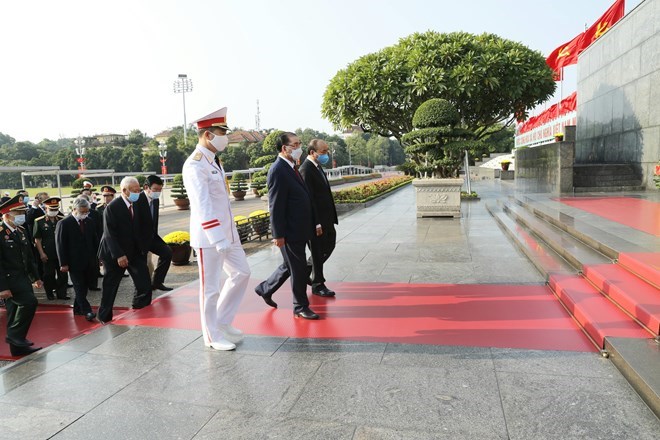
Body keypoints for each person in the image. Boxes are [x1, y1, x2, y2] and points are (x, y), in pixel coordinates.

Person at [182, 107, 251, 351]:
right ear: (207, 135)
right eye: (222, 132)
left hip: (228, 235)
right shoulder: (195, 165)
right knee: (209, 289)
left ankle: (222, 321)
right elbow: (202, 205)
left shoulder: (213, 162)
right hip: (209, 238)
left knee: (242, 273)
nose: (225, 137)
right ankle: (211, 336)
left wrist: (228, 236)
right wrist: (217, 236)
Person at [254, 132, 319, 319]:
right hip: (289, 231)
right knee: (297, 269)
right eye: (296, 144)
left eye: (300, 144)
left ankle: (265, 289)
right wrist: (278, 234)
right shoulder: (278, 170)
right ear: (285, 148)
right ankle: (300, 307)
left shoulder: (291, 167)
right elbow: (276, 205)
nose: (299, 148)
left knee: (290, 265)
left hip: (299, 228)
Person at [97, 176, 153, 323]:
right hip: (114, 253)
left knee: (144, 283)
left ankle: (141, 310)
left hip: (134, 251)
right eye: (134, 191)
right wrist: (119, 255)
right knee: (111, 286)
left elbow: (146, 225)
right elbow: (109, 234)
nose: (138, 193)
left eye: (139, 190)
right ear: (124, 191)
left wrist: (144, 247)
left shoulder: (139, 201)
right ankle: (104, 316)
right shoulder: (112, 207)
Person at [0, 195, 43, 356]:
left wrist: (36, 277)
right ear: (6, 214)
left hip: (23, 277)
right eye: (18, 212)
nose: (22, 215)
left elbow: (29, 257)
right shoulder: (0, 233)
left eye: (22, 212)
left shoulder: (22, 230)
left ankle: (17, 347)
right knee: (29, 302)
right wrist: (2, 287)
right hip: (9, 279)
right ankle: (14, 336)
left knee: (13, 310)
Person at [299, 139, 339, 297]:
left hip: (326, 218)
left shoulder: (317, 167)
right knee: (317, 252)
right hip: (317, 221)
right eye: (323, 152)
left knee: (328, 246)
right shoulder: (306, 169)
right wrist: (316, 223)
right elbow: (309, 200)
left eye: (327, 151)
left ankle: (306, 271)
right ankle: (318, 284)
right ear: (312, 153)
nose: (326, 155)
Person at [55, 197, 98, 321]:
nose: (84, 214)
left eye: (86, 212)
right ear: (74, 209)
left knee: (84, 287)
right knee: (79, 287)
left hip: (88, 261)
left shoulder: (89, 221)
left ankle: (77, 309)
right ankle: (87, 311)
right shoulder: (64, 223)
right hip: (73, 263)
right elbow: (60, 244)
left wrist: (98, 257)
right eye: (82, 212)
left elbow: (94, 240)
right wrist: (63, 263)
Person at [137, 175, 173, 291]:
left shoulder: (155, 200)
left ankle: (157, 282)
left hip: (152, 236)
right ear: (146, 187)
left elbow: (154, 220)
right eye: (155, 190)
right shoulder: (137, 200)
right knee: (143, 264)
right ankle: (143, 288)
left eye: (160, 190)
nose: (158, 192)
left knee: (167, 252)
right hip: (140, 238)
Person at [33, 197, 69, 300]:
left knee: (63, 274)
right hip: (47, 252)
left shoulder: (62, 219)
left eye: (55, 209)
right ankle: (49, 293)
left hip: (61, 253)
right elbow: (37, 239)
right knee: (49, 274)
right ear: (46, 208)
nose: (54, 212)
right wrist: (41, 253)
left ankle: (61, 294)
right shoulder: (39, 221)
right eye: (51, 209)